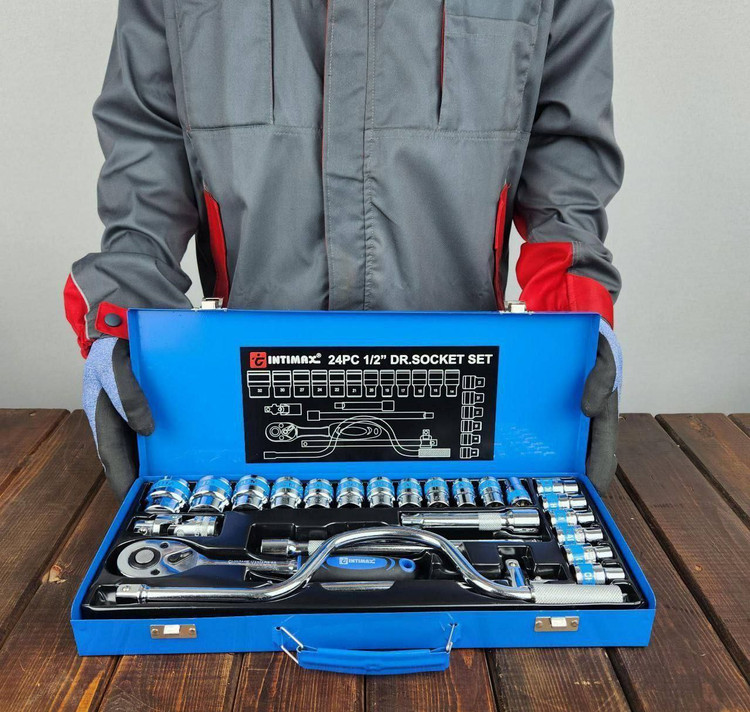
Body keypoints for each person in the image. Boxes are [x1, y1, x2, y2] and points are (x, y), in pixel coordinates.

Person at [64, 0, 623, 501]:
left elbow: (565, 156)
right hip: (245, 420)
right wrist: (126, 310)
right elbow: (148, 141)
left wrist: (573, 322)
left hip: (459, 420)